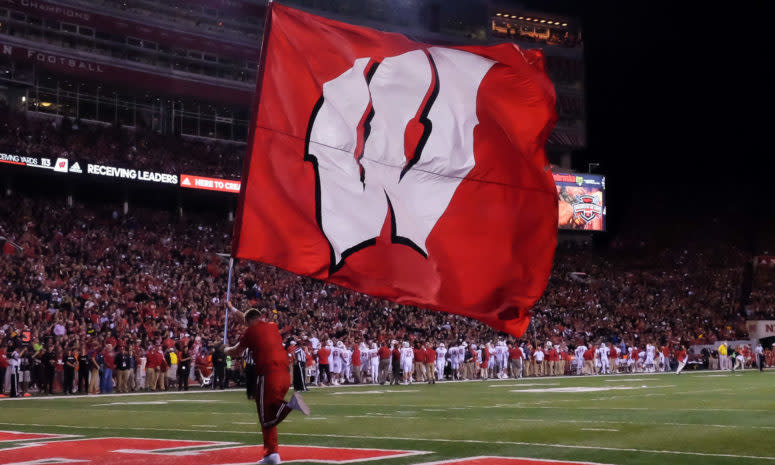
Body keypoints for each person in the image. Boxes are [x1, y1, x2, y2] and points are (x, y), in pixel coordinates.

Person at [225, 304, 309, 465]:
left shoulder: (250, 331)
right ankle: (271, 454)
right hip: (283, 375)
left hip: (268, 375)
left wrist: (224, 349)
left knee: (266, 418)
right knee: (269, 410)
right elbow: (248, 320)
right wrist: (232, 308)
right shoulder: (272, 326)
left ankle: (290, 405)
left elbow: (236, 351)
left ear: (249, 322)